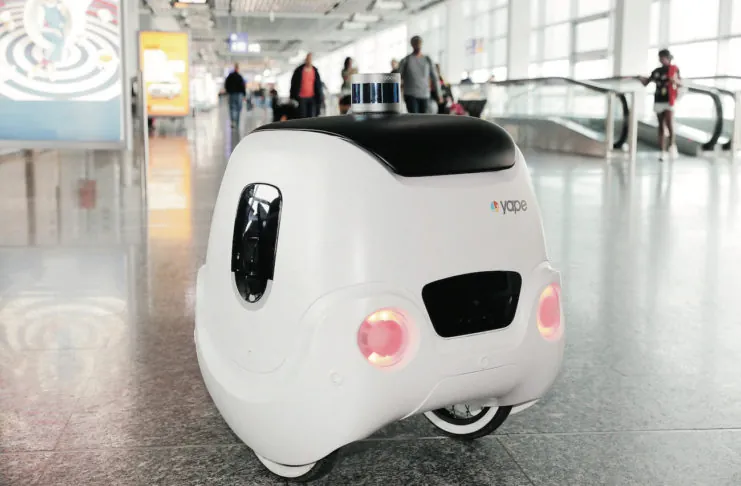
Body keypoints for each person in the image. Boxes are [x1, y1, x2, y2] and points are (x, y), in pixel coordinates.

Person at [641, 48, 681, 160]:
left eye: (663, 57)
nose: (661, 59)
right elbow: (646, 82)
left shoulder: (674, 69)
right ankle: (662, 151)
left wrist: (674, 81)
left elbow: (679, 82)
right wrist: (640, 78)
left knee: (669, 123)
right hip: (659, 99)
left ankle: (672, 146)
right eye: (660, 57)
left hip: (669, 100)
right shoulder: (656, 71)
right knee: (661, 126)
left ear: (668, 57)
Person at [399, 37, 440, 113]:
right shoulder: (406, 60)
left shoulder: (427, 60)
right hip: (410, 95)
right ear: (412, 45)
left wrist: (439, 93)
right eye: (415, 43)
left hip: (425, 95)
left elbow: (435, 78)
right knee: (414, 117)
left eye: (419, 43)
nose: (418, 46)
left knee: (424, 117)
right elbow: (398, 77)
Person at [290, 53, 323, 118]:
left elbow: (318, 85)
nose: (309, 60)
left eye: (310, 59)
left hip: (312, 97)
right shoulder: (299, 70)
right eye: (307, 59)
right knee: (302, 115)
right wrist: (292, 96)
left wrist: (320, 96)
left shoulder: (315, 71)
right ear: (305, 60)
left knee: (311, 116)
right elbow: (293, 83)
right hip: (301, 97)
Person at [224, 63, 246, 128]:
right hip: (239, 94)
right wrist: (244, 94)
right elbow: (243, 86)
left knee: (232, 108)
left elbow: (226, 84)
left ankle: (233, 121)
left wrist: (228, 91)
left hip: (232, 94)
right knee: (238, 108)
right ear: (238, 68)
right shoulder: (239, 76)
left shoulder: (230, 76)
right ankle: (237, 122)